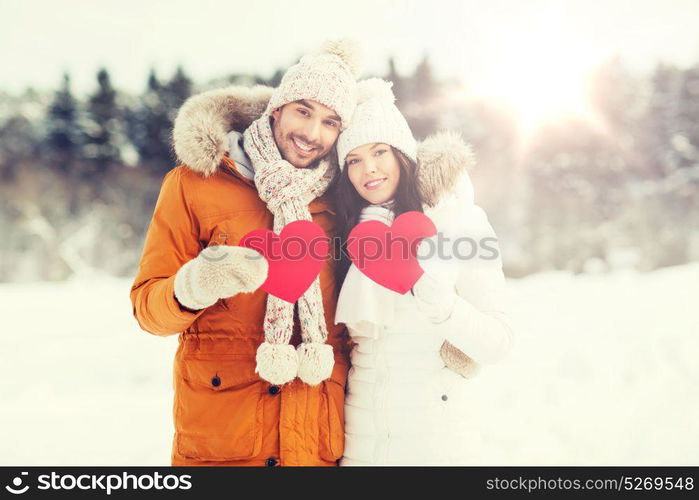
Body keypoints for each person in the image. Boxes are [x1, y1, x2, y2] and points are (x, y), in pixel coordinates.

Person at [130, 40, 361, 466]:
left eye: (330, 122)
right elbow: (148, 309)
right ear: (276, 109)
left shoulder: (346, 200)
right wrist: (192, 286)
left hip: (315, 443)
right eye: (303, 111)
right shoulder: (195, 183)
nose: (312, 134)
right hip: (225, 440)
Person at [331, 79, 514, 465]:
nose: (369, 169)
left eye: (380, 151)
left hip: (436, 445)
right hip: (361, 445)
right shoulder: (348, 233)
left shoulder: (458, 220)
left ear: (402, 153)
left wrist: (428, 292)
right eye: (354, 159)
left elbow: (498, 342)